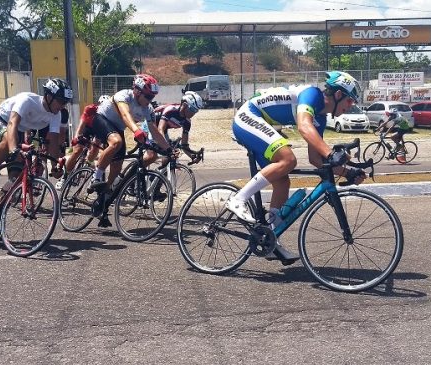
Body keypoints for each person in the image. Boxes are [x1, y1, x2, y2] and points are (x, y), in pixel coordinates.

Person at [225, 71, 365, 262]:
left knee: (282, 182)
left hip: (261, 122)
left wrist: (348, 172)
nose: (352, 106)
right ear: (338, 94)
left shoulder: (321, 118)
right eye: (350, 101)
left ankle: (271, 239)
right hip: (248, 116)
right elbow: (303, 126)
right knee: (288, 160)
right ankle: (238, 199)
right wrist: (332, 153)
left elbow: (316, 159)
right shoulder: (312, 95)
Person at [86, 74, 173, 225]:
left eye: (152, 97)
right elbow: (125, 115)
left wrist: (168, 149)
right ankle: (97, 176)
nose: (149, 100)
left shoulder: (147, 108)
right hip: (102, 119)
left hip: (117, 128)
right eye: (147, 96)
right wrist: (136, 131)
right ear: (137, 91)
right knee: (116, 142)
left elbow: (155, 131)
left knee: (117, 167)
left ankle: (105, 198)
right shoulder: (124, 96)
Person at [0, 78, 71, 201]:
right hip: (0, 118)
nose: (62, 106)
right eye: (60, 101)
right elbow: (12, 124)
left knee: (16, 175)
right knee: (8, 141)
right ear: (48, 96)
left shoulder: (56, 114)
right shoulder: (28, 100)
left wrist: (54, 165)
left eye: (65, 102)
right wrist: (13, 149)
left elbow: (53, 141)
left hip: (18, 130)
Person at [142, 91, 204, 166]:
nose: (193, 113)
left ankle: (160, 176)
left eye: (196, 111)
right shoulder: (171, 110)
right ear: (184, 105)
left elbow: (184, 145)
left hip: (162, 130)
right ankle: (138, 172)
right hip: (151, 125)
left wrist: (192, 156)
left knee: (170, 156)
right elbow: (160, 130)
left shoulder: (187, 122)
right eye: (192, 109)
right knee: (152, 155)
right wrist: (167, 148)